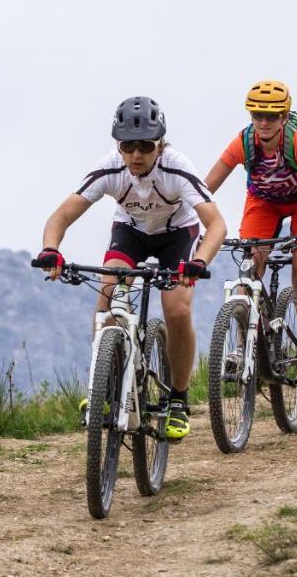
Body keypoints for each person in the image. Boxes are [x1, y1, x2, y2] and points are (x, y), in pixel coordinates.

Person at [34, 96, 226, 441]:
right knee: (107, 293)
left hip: (177, 236)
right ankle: (103, 389)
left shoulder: (177, 168)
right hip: (131, 232)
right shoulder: (111, 168)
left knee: (177, 310)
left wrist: (199, 262)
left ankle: (179, 400)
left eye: (145, 146)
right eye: (127, 146)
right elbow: (61, 216)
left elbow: (216, 225)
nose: (136, 155)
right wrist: (51, 250)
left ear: (160, 144)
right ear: (118, 145)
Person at [202, 80, 297, 387]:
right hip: (264, 202)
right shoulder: (244, 142)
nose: (263, 122)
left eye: (271, 116)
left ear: (284, 117)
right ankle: (244, 348)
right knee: (250, 267)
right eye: (257, 115)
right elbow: (204, 190)